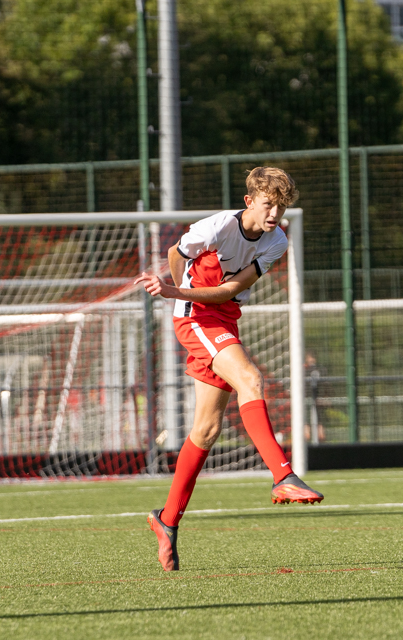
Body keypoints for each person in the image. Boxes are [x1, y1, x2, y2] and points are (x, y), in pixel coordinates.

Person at [135, 167, 323, 572]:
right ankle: (282, 475)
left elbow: (229, 290)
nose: (274, 212)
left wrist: (176, 289)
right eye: (268, 203)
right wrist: (175, 290)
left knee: (206, 430)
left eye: (281, 204)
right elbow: (177, 255)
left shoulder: (277, 242)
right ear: (249, 201)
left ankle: (166, 521)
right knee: (250, 379)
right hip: (194, 317)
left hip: (222, 316)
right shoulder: (217, 226)